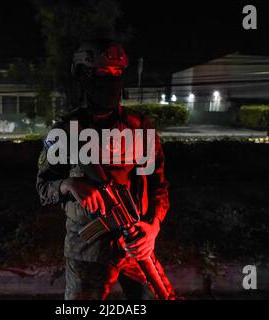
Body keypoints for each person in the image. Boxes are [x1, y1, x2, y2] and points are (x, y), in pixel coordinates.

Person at [36, 39, 170, 300]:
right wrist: (68, 185)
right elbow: (43, 189)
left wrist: (152, 228)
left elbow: (158, 186)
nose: (111, 81)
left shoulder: (141, 128)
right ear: (84, 77)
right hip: (87, 251)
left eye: (117, 74)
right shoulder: (65, 131)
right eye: (102, 74)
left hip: (136, 246)